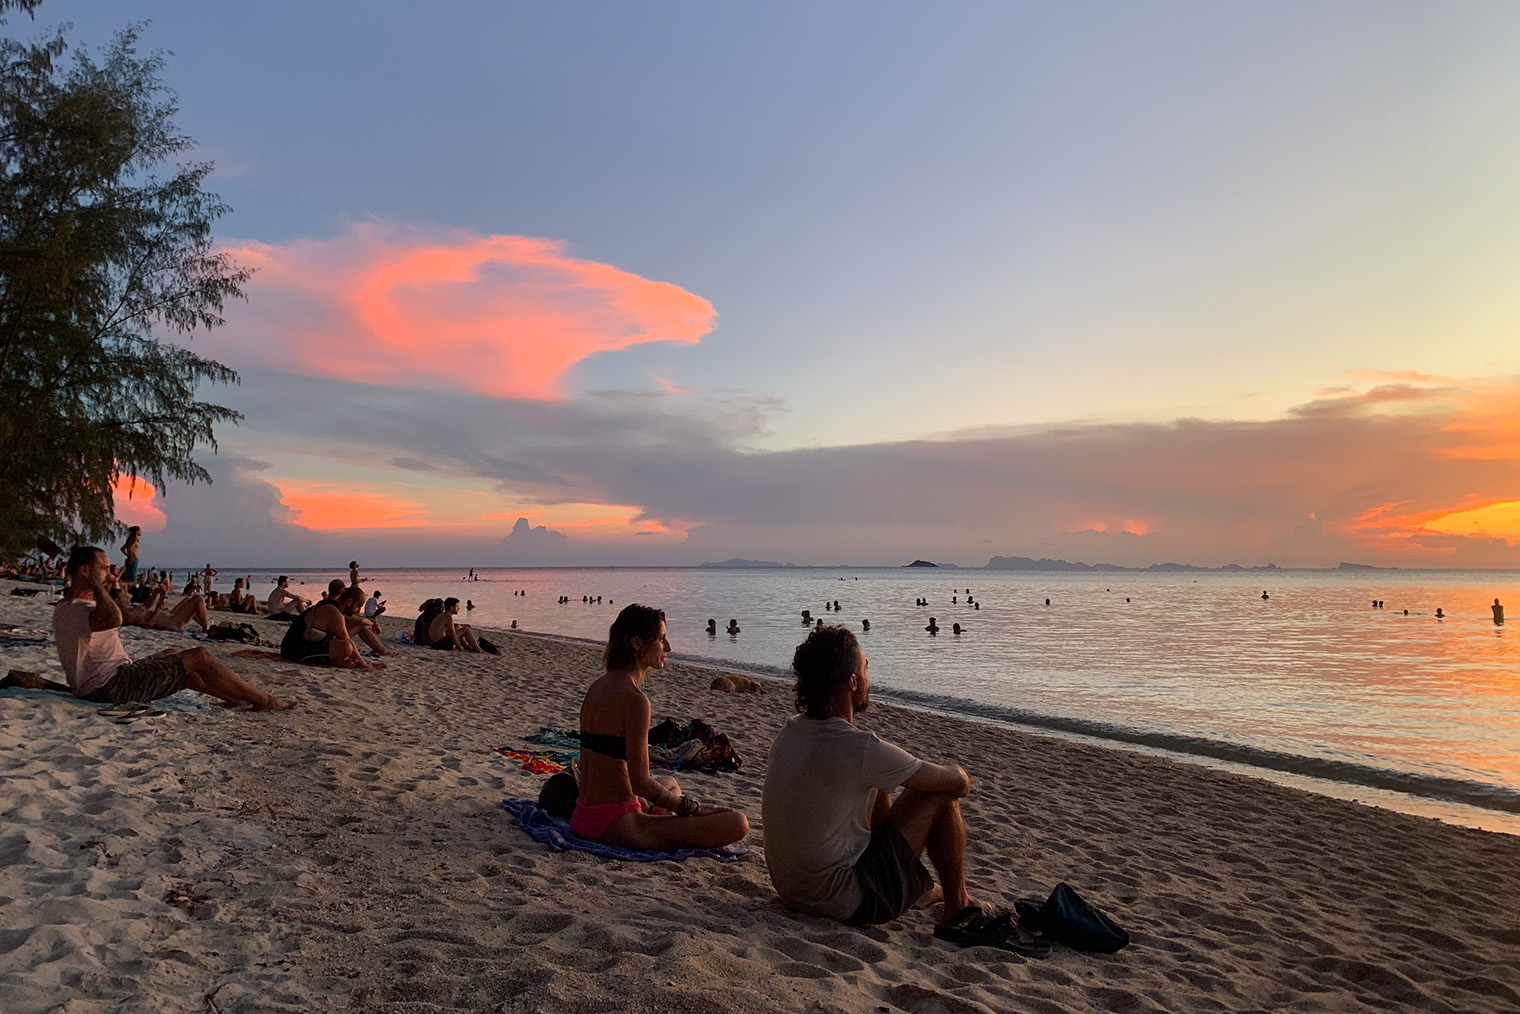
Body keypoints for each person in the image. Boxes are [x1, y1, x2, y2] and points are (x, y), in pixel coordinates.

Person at [762, 625, 999, 930]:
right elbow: (959, 784)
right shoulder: (859, 747)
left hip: (793, 892)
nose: (869, 681)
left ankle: (920, 890)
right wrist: (959, 770)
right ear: (852, 681)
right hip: (846, 903)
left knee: (876, 789)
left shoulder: (789, 732)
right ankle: (959, 905)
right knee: (938, 793)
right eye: (865, 670)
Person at [572, 604, 748, 848]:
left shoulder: (597, 687)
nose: (668, 648)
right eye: (662, 639)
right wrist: (693, 808)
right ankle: (661, 815)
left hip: (584, 815)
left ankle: (658, 812)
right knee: (738, 822)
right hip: (615, 822)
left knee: (669, 783)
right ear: (637, 643)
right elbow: (640, 782)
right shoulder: (635, 700)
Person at [54, 547, 290, 709]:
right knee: (200, 656)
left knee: (172, 655)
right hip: (110, 687)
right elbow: (115, 618)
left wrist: (100, 584)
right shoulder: (75, 609)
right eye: (104, 569)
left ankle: (235, 699)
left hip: (111, 680)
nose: (110, 574)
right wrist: (96, 584)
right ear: (85, 571)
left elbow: (114, 614)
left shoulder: (74, 607)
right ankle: (264, 701)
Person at [280, 586, 377, 668]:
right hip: (294, 651)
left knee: (345, 646)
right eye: (358, 606)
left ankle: (338, 661)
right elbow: (346, 639)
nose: (358, 610)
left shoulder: (331, 606)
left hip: (293, 647)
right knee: (346, 647)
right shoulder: (333, 612)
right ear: (349, 602)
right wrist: (363, 663)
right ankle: (337, 662)